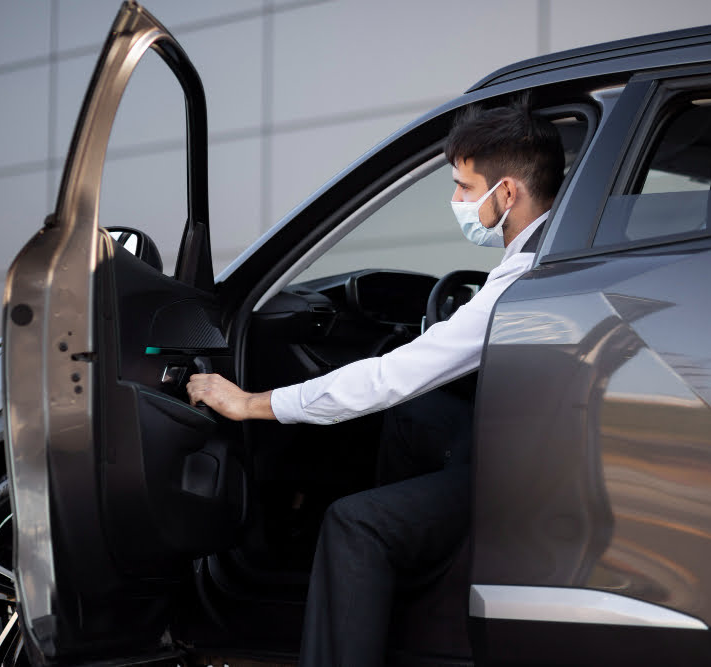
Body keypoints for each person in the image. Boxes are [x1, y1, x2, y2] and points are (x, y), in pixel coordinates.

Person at [186, 102, 565, 667]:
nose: (458, 201)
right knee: (415, 416)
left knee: (354, 521)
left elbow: (392, 375)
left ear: (506, 194)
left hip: (521, 477)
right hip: (522, 445)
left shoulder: (523, 281)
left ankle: (379, 559)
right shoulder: (553, 248)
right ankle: (402, 576)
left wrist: (253, 403)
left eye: (464, 187)